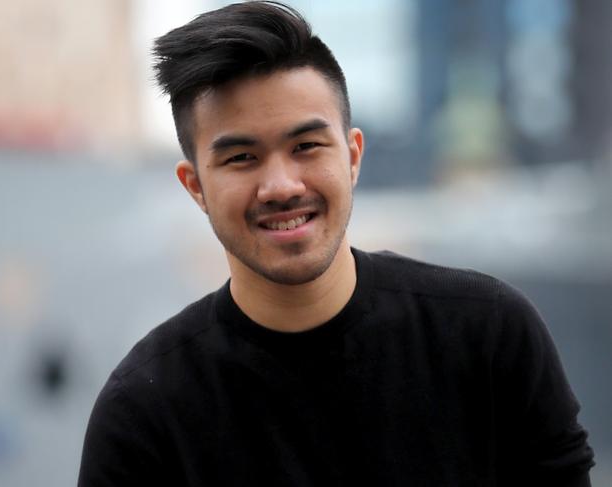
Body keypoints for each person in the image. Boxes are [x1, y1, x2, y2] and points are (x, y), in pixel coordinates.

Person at [78, 2, 594, 485]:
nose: (281, 186)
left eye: (306, 146)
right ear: (195, 187)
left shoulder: (489, 335)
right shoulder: (146, 411)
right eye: (241, 158)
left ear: (352, 156)